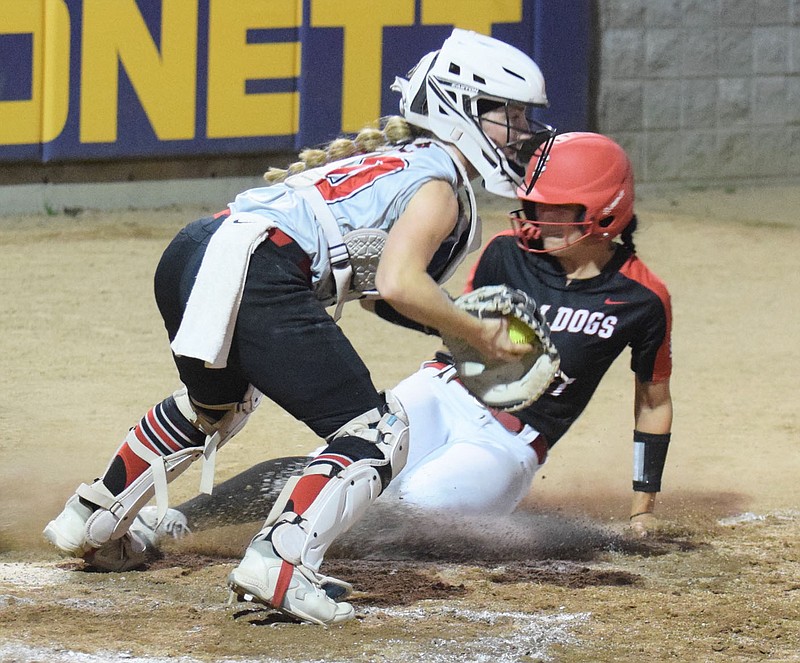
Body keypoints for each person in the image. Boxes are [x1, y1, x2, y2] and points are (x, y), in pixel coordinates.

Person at [42, 28, 558, 626]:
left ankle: (93, 518)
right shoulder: (440, 183)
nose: (523, 131)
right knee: (378, 431)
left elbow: (377, 295)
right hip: (256, 265)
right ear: (461, 108)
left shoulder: (402, 160)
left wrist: (449, 329)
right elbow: (397, 285)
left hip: (195, 249)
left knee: (214, 406)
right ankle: (280, 566)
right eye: (510, 114)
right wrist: (477, 332)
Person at [133, 132, 673, 554]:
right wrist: (392, 299)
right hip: (441, 390)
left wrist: (642, 508)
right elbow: (449, 320)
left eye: (560, 210)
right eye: (535, 206)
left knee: (413, 510)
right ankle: (182, 519)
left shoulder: (641, 299)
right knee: (347, 462)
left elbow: (653, 403)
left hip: (509, 442)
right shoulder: (508, 253)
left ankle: (286, 548)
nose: (539, 220)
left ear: (607, 211)